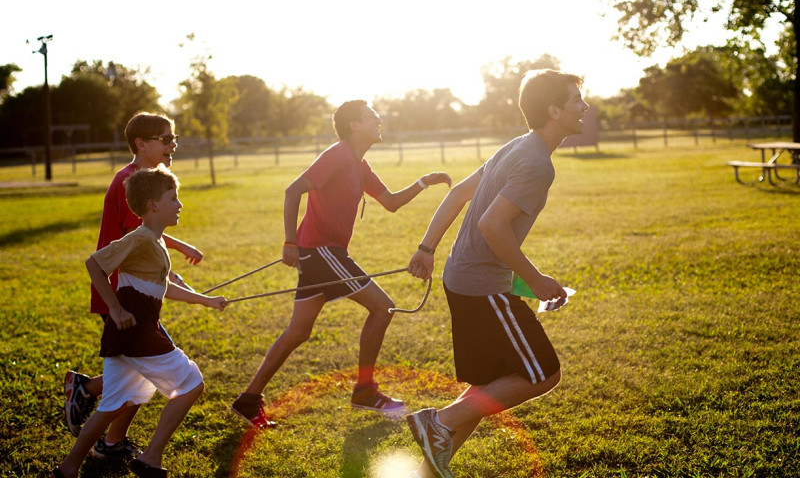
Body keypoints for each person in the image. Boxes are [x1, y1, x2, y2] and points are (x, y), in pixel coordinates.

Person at [405, 69, 589, 478]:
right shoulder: (537, 162)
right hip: (480, 286)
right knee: (543, 373)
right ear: (554, 110)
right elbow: (492, 226)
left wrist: (426, 248)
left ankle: (427, 470)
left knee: (488, 385)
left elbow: (457, 193)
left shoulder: (518, 146)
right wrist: (537, 280)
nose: (585, 107)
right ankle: (437, 421)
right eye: (577, 100)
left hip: (462, 278)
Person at [230, 100, 451, 428]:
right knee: (383, 308)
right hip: (322, 253)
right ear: (353, 126)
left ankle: (248, 400)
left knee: (299, 331)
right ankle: (364, 391)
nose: (378, 120)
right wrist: (290, 242)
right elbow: (293, 191)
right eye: (370, 116)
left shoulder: (360, 164)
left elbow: (389, 202)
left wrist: (423, 182)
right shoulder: (338, 154)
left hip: (322, 254)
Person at [52, 166, 227, 478]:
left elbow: (163, 289)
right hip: (136, 332)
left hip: (131, 333)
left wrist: (207, 300)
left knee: (112, 404)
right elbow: (94, 264)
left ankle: (68, 468)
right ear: (153, 205)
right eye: (174, 198)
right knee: (191, 383)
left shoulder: (156, 241)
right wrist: (116, 308)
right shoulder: (142, 237)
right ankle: (150, 458)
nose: (180, 204)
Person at [63, 112, 204, 460]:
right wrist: (165, 273)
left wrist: (177, 253)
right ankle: (94, 408)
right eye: (165, 138)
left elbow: (149, 236)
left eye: (174, 138)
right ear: (141, 144)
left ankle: (106, 435)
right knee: (153, 369)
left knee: (134, 374)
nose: (173, 145)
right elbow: (139, 237)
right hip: (122, 296)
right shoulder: (132, 182)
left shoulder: (147, 180)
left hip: (135, 291)